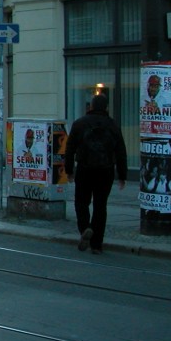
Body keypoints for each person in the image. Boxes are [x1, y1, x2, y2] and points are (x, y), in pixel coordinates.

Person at [63, 92, 127, 254]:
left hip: (84, 168)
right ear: (106, 108)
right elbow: (121, 151)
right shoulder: (112, 125)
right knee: (100, 205)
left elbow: (69, 149)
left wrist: (69, 170)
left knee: (81, 202)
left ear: (90, 106)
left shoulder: (80, 123)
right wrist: (122, 175)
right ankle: (97, 245)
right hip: (105, 170)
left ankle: (85, 228)